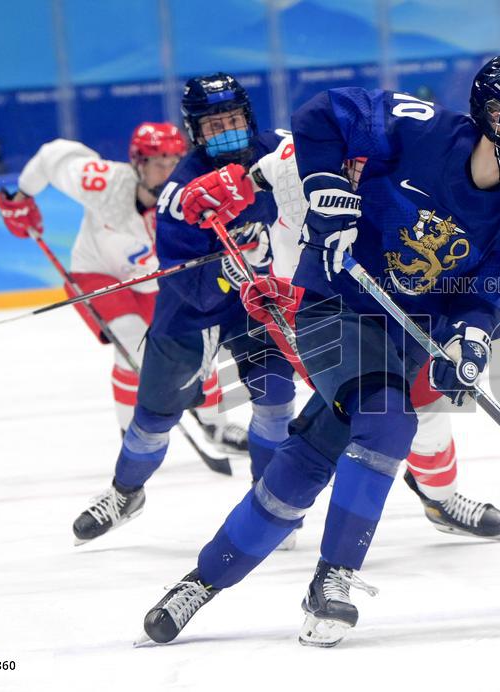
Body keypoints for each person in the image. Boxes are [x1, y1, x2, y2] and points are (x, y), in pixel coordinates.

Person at [138, 56, 500, 647]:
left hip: (405, 331)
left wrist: (468, 341)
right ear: (495, 115)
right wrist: (326, 184)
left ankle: (199, 582)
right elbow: (322, 114)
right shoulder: (418, 128)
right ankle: (333, 580)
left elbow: (495, 296)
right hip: (334, 303)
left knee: (310, 458)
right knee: (390, 423)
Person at [246, 138, 500, 541]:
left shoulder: (397, 155)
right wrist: (243, 220)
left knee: (428, 407)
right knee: (342, 412)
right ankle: (276, 509)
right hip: (313, 309)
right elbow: (252, 178)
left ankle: (440, 498)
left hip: (386, 304)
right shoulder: (291, 155)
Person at [69, 74, 297, 545]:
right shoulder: (180, 191)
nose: (227, 131)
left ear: (249, 117)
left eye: (234, 120)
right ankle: (126, 493)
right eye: (214, 125)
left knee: (276, 405)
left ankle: (270, 507)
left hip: (261, 302)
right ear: (196, 131)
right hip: (192, 313)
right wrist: (225, 274)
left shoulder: (280, 152)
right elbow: (183, 279)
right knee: (152, 419)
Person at [0, 123, 246, 452]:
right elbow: (51, 155)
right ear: (137, 163)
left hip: (156, 284)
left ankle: (216, 425)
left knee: (195, 346)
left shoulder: (191, 196)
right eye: (160, 163)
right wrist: (22, 196)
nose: (170, 171)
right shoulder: (103, 183)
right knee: (130, 342)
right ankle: (134, 437)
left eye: (176, 162)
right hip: (98, 275)